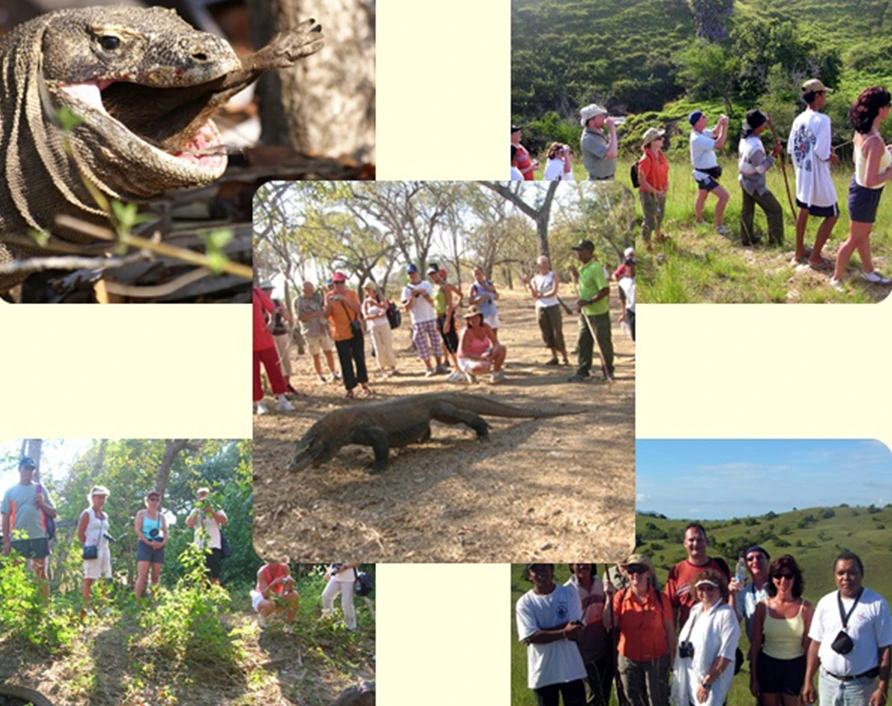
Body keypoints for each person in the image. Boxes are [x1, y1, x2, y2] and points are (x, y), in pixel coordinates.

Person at [801, 551, 892, 706]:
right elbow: (815, 644)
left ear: (861, 574)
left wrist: (882, 688)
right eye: (840, 573)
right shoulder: (825, 603)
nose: (846, 578)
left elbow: (886, 648)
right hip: (828, 683)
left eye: (852, 573)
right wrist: (808, 680)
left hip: (862, 686)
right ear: (834, 576)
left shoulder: (877, 604)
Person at [832, 86, 892, 288]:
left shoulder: (863, 132)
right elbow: (870, 180)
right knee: (854, 239)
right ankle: (836, 279)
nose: (889, 109)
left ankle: (868, 272)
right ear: (880, 109)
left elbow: (856, 158)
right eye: (888, 105)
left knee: (862, 235)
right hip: (865, 194)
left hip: (861, 191)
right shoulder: (874, 140)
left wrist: (886, 154)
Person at [605, 554, 674, 706]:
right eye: (631, 570)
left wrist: (673, 659)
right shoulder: (620, 597)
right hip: (629, 659)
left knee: (658, 701)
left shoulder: (661, 598)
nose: (635, 574)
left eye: (640, 569)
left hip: (656, 659)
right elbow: (609, 623)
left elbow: (670, 630)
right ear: (626, 574)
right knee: (633, 701)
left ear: (648, 573)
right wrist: (609, 598)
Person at [516, 564, 587, 706]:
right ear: (529, 575)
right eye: (535, 569)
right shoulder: (524, 603)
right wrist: (564, 631)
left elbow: (576, 630)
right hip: (543, 674)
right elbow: (531, 636)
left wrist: (542, 632)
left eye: (544, 568)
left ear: (552, 570)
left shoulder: (569, 593)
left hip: (571, 670)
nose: (541, 572)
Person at [788, 79, 840, 269]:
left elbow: (791, 149)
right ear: (817, 96)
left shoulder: (798, 119)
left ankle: (799, 250)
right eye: (824, 94)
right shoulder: (823, 120)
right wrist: (832, 156)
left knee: (804, 208)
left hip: (802, 173)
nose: (825, 98)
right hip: (818, 176)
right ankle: (815, 257)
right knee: (833, 214)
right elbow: (822, 152)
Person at [750, 554, 813, 706]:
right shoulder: (762, 607)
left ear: (795, 578)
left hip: (795, 666)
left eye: (788, 576)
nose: (783, 580)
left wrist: (808, 680)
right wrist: (753, 677)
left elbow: (809, 646)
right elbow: (756, 643)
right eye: (778, 575)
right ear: (772, 578)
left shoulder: (805, 608)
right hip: (768, 665)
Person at [670, 570, 740, 706]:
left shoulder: (726, 614)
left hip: (711, 685)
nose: (705, 592)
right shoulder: (696, 610)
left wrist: (706, 683)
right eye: (701, 588)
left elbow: (726, 655)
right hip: (690, 680)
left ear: (720, 590)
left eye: (710, 588)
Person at [1, 456, 56, 596]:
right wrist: (6, 541)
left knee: (41, 572)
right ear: (19, 470)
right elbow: (5, 517)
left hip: (38, 536)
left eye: (31, 469)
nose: (28, 471)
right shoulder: (10, 492)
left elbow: (53, 513)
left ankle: (43, 608)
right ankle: (15, 608)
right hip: (18, 538)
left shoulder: (40, 489)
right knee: (15, 573)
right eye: (26, 468)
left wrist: (43, 504)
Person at [665, 523, 730, 629]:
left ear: (706, 542)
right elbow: (671, 609)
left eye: (699, 540)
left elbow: (730, 598)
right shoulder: (677, 571)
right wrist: (670, 641)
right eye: (691, 540)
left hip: (718, 631)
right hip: (689, 635)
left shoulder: (720, 567)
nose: (695, 544)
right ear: (685, 543)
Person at [567, 240, 614, 383]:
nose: (578, 254)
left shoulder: (595, 268)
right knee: (583, 342)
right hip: (585, 313)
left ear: (589, 251)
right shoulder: (582, 269)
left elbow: (605, 290)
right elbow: (586, 286)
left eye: (581, 250)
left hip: (598, 313)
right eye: (577, 251)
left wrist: (589, 301)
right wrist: (576, 276)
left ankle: (608, 371)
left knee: (602, 342)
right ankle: (583, 370)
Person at [566, 564, 612, 706]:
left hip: (604, 649)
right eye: (577, 562)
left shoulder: (600, 583)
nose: (582, 565)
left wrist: (610, 595)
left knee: (604, 695)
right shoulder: (568, 590)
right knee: (592, 696)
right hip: (583, 654)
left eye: (586, 561)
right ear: (571, 566)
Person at [738, 109, 784, 248]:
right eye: (763, 124)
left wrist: (767, 120)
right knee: (775, 210)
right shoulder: (756, 147)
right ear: (758, 128)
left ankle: (747, 238)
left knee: (747, 211)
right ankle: (776, 242)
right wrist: (774, 154)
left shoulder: (744, 137)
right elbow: (760, 168)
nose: (765, 126)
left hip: (744, 179)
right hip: (755, 184)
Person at [325, 271, 372, 399]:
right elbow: (326, 315)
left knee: (359, 358)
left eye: (341, 282)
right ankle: (350, 388)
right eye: (336, 283)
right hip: (339, 334)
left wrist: (344, 299)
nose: (339, 285)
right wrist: (329, 304)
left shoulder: (352, 293)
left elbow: (358, 308)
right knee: (345, 362)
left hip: (354, 331)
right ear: (333, 283)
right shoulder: (329, 296)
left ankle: (364, 384)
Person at [253, 284, 295, 414]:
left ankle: (282, 399)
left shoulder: (257, 292)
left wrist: (272, 322)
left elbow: (272, 308)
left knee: (275, 370)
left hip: (265, 339)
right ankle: (259, 402)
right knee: (252, 374)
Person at [689, 110, 731, 235]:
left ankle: (698, 220)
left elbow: (714, 133)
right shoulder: (697, 138)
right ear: (697, 122)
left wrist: (719, 123)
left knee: (702, 196)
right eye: (703, 117)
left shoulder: (701, 133)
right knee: (724, 196)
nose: (706, 118)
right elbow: (719, 144)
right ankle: (718, 226)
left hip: (703, 173)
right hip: (704, 174)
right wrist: (724, 126)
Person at [402, 263, 447, 377]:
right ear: (407, 276)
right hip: (417, 319)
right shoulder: (406, 289)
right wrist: (412, 296)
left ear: (417, 272)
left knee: (436, 342)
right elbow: (406, 308)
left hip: (430, 317)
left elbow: (433, 302)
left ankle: (439, 365)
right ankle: (428, 367)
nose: (412, 275)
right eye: (410, 274)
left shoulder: (426, 284)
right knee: (422, 345)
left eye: (413, 272)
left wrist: (424, 294)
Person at [296, 281, 341, 384]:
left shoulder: (318, 297)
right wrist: (315, 314)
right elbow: (299, 317)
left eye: (311, 289)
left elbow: (326, 307)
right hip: (310, 332)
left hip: (322, 329)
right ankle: (320, 376)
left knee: (328, 352)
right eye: (307, 289)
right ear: (303, 289)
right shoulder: (298, 301)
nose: (309, 291)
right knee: (315, 355)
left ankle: (333, 373)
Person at [529, 255, 569, 366]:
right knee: (546, 332)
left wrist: (541, 294)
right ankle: (554, 357)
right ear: (538, 265)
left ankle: (564, 356)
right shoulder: (535, 279)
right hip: (541, 307)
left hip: (553, 306)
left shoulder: (553, 275)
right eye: (542, 263)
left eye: (546, 263)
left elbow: (553, 291)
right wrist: (531, 287)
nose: (545, 265)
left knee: (557, 332)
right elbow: (534, 295)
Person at [77, 485, 112, 609]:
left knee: (104, 576)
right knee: (89, 578)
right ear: (92, 498)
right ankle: (87, 606)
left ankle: (104, 605)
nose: (101, 500)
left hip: (104, 548)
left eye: (104, 498)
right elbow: (80, 533)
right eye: (99, 497)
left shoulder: (104, 515)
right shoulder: (87, 514)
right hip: (92, 549)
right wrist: (88, 546)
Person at [260, 282, 298, 394]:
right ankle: (279, 387)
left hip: (282, 332)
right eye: (266, 289)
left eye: (270, 289)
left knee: (286, 359)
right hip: (269, 335)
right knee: (277, 362)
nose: (269, 291)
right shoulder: (259, 303)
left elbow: (288, 317)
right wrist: (269, 313)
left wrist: (282, 311)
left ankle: (287, 384)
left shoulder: (276, 302)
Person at [185, 486, 228, 585]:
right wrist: (196, 510)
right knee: (201, 573)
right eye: (200, 495)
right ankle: (203, 594)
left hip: (213, 545)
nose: (202, 497)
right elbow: (189, 524)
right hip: (199, 546)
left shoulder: (216, 507)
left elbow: (224, 521)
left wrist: (211, 512)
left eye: (205, 495)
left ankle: (216, 594)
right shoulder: (195, 510)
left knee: (214, 573)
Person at [729, 545, 771, 641]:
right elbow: (732, 621)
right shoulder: (745, 593)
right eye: (750, 559)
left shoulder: (778, 587)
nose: (755, 561)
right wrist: (732, 595)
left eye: (759, 557)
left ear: (768, 561)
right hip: (757, 649)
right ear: (747, 566)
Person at [428, 265, 463, 379]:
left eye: (434, 273)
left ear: (439, 273)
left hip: (446, 316)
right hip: (438, 317)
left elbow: (450, 303)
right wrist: (436, 321)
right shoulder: (434, 287)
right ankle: (456, 368)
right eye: (430, 274)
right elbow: (435, 304)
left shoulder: (445, 287)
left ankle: (460, 368)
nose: (432, 276)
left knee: (453, 343)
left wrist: (448, 320)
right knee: (447, 343)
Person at [638, 128, 670, 251]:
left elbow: (665, 171)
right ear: (651, 142)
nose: (662, 140)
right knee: (650, 219)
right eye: (659, 138)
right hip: (648, 193)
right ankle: (647, 244)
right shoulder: (646, 159)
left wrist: (666, 185)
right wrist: (655, 192)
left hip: (660, 191)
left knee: (660, 215)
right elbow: (642, 180)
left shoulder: (661, 155)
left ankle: (658, 236)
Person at [457, 306, 507, 383]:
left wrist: (492, 351)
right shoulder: (466, 332)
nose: (474, 320)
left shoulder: (486, 326)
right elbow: (465, 353)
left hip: (483, 354)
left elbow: (495, 342)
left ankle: (496, 373)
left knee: (502, 348)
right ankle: (470, 372)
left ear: (481, 317)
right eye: (471, 318)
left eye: (476, 317)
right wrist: (480, 358)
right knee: (484, 366)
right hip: (469, 358)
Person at [134, 489, 167, 599]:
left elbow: (166, 532)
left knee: (156, 576)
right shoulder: (141, 514)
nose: (154, 502)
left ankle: (154, 600)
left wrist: (162, 543)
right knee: (142, 575)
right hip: (144, 544)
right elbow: (137, 530)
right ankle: (136, 601)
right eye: (152, 499)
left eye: (157, 500)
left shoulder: (161, 516)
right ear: (147, 500)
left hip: (158, 545)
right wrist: (147, 542)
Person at [361, 282, 398, 377]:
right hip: (373, 327)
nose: (367, 291)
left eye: (368, 289)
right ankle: (382, 369)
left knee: (388, 345)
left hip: (384, 324)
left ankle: (393, 366)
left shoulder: (380, 298)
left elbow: (386, 307)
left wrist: (375, 304)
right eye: (366, 290)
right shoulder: (365, 302)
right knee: (378, 348)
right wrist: (376, 316)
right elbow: (365, 316)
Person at [251, 559, 300, 627]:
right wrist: (274, 583)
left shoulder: (284, 568)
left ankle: (289, 623)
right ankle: (262, 617)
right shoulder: (262, 572)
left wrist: (290, 584)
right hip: (262, 596)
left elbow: (289, 590)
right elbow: (265, 595)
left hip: (277, 594)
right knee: (271, 604)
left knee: (294, 596)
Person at [580, 104, 617, 181]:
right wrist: (612, 131)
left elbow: (610, 147)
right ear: (591, 121)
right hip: (597, 181)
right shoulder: (588, 139)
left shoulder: (599, 132)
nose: (604, 118)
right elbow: (612, 154)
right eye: (600, 116)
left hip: (608, 179)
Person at [322, 563, 359, 631]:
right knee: (326, 596)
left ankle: (351, 627)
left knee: (346, 604)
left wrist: (345, 567)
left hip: (349, 579)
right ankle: (329, 621)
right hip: (336, 577)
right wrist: (329, 572)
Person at [468, 267, 501, 341]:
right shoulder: (473, 287)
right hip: (482, 315)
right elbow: (470, 302)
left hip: (492, 312)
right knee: (485, 335)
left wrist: (492, 291)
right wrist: (479, 299)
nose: (477, 276)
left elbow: (497, 297)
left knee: (494, 335)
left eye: (479, 273)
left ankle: (495, 350)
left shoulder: (489, 283)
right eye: (475, 274)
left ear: (483, 274)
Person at [617, 257, 636, 343]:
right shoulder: (622, 282)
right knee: (634, 336)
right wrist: (623, 314)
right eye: (628, 265)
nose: (631, 267)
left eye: (632, 265)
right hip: (631, 311)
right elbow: (622, 299)